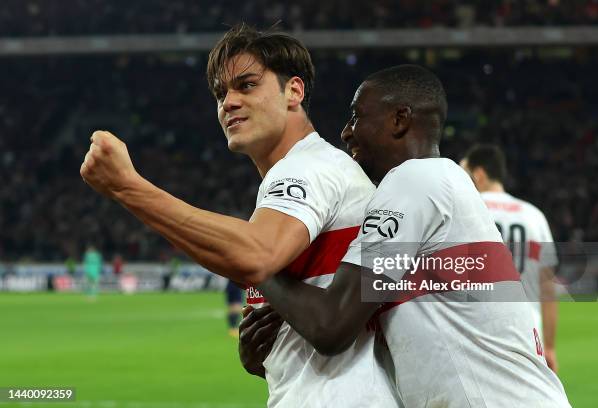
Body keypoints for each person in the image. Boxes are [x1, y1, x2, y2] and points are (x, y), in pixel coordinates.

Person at [79, 24, 399, 408]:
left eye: (246, 85)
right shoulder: (315, 172)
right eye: (220, 93)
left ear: (293, 92)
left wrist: (127, 187)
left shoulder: (306, 169)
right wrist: (264, 356)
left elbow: (256, 257)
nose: (228, 102)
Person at [245, 64, 571, 407]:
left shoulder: (415, 180)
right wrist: (269, 351)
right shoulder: (440, 187)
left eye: (357, 117)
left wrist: (258, 261)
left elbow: (331, 325)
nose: (345, 132)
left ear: (400, 120)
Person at [460, 144, 560, 372]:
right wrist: (551, 347)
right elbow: (547, 289)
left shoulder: (462, 210)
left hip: (475, 329)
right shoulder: (534, 216)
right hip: (528, 331)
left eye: (462, 171)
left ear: (479, 175)